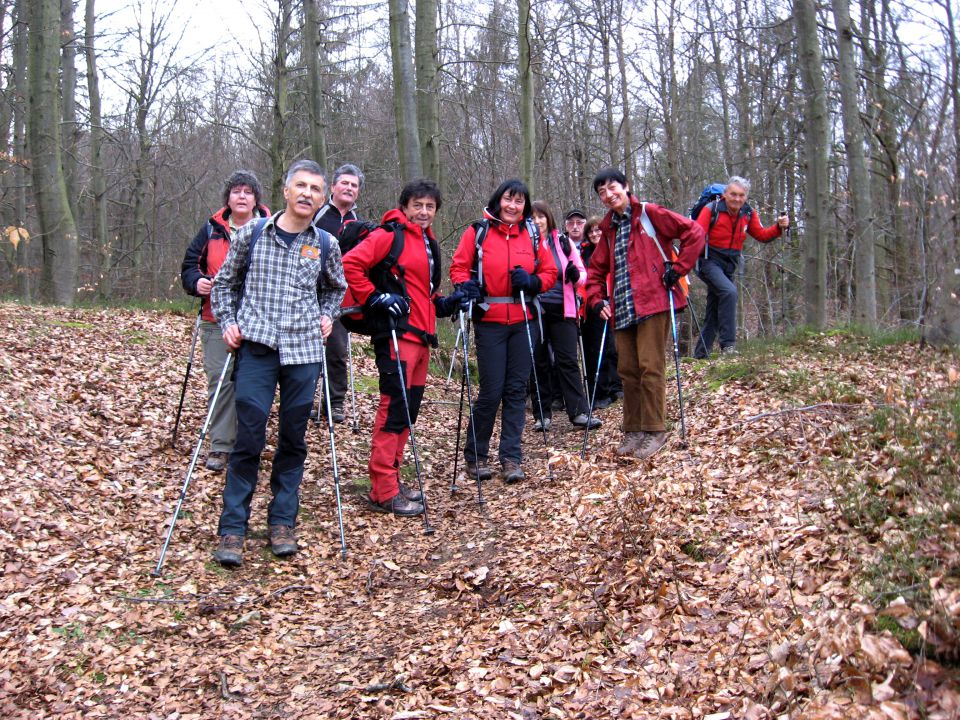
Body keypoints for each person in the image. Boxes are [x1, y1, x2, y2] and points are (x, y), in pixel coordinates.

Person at [209, 159, 347, 567]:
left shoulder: (325, 244)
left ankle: (282, 521)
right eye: (300, 186)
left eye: (315, 189)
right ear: (286, 191)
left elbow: (336, 289)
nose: (307, 193)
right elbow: (224, 285)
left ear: (322, 198)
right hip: (257, 349)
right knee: (248, 437)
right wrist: (229, 323)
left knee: (293, 438)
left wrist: (327, 315)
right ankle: (233, 527)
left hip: (304, 352)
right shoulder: (251, 234)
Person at [342, 178, 465, 516]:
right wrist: (374, 297)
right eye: (418, 205)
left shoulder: (429, 243)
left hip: (421, 338)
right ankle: (382, 490)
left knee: (407, 413)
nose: (424, 212)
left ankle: (392, 481)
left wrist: (448, 302)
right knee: (393, 411)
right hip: (396, 336)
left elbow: (422, 293)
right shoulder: (389, 235)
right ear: (406, 206)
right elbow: (350, 263)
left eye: (430, 206)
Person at [586, 168, 704, 460]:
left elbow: (694, 232)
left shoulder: (650, 214)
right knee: (628, 370)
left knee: (650, 366)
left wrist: (678, 270)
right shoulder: (609, 228)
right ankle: (634, 430)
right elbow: (595, 270)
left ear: (626, 187)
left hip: (653, 301)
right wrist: (596, 299)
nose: (608, 194)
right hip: (622, 308)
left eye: (612, 187)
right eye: (602, 192)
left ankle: (655, 430)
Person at [450, 179, 557, 483]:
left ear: (525, 206)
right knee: (491, 391)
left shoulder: (533, 234)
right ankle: (476, 455)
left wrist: (533, 283)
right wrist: (466, 287)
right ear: (498, 201)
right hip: (490, 321)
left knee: (516, 390)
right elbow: (459, 267)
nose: (513, 206)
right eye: (508, 200)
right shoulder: (478, 232)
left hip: (524, 320)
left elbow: (549, 271)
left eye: (519, 202)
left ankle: (511, 458)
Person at [180, 171, 270, 471]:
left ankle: (248, 444)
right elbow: (189, 268)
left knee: (253, 385)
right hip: (215, 318)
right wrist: (198, 283)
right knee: (220, 381)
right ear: (228, 198)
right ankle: (221, 445)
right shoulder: (211, 230)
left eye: (248, 191)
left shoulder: (271, 228)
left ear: (256, 198)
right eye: (236, 191)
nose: (242, 196)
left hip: (260, 321)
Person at [693, 176, 789, 358]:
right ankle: (728, 346)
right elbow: (695, 235)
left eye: (741, 195)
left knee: (714, 308)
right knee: (729, 292)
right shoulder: (711, 210)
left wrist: (778, 227)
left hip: (730, 264)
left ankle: (700, 355)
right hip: (707, 260)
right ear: (725, 194)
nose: (737, 199)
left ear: (746, 197)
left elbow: (761, 234)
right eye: (733, 194)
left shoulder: (748, 213)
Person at [529, 201, 599, 432]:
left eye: (541, 217)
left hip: (564, 308)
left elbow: (582, 274)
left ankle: (578, 412)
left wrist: (574, 275)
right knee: (539, 362)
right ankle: (542, 415)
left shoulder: (563, 242)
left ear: (549, 219)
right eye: (533, 217)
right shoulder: (524, 244)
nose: (538, 221)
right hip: (534, 309)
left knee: (567, 360)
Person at [312, 163, 365, 422]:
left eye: (354, 185)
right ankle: (303, 399)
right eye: (344, 183)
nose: (349, 188)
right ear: (332, 187)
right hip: (309, 293)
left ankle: (334, 404)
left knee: (337, 351)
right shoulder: (317, 214)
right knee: (306, 350)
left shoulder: (359, 224)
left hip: (342, 299)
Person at [579, 214, 622, 410]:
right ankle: (598, 392)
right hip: (593, 307)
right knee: (596, 350)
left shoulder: (613, 248)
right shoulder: (583, 254)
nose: (595, 233)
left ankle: (617, 386)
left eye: (598, 229)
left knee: (615, 348)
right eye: (591, 231)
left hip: (615, 303)